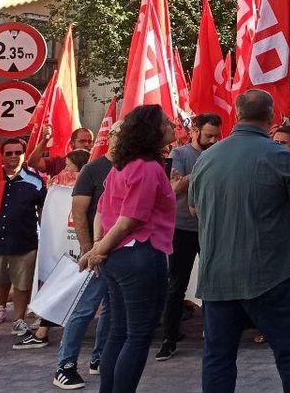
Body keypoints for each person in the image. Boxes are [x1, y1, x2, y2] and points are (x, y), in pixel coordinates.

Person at [189, 90, 290, 393]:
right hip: (269, 275)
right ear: (271, 117)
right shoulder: (281, 155)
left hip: (217, 276)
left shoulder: (206, 158)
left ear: (236, 114)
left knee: (218, 359)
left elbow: (194, 209)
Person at [78, 105, 177, 393]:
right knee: (136, 337)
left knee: (119, 333)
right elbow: (129, 220)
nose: (172, 126)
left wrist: (99, 248)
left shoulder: (121, 167)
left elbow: (103, 212)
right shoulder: (147, 168)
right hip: (140, 255)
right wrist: (97, 251)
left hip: (121, 258)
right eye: (166, 122)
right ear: (152, 130)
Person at [52, 126, 120, 389]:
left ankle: (99, 358)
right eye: (119, 135)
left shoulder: (131, 167)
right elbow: (79, 211)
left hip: (119, 252)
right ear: (111, 138)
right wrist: (88, 248)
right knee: (86, 308)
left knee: (112, 309)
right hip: (98, 252)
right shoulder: (93, 169)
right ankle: (65, 364)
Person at [154, 113, 222, 361]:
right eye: (208, 136)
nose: (213, 141)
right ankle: (169, 338)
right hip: (182, 228)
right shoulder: (180, 155)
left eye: (216, 136)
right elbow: (175, 187)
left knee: (215, 284)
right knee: (176, 286)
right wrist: (202, 169)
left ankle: (215, 334)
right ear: (195, 131)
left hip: (210, 227)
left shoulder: (219, 152)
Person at [16, 149, 93, 351]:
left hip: (84, 246)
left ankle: (48, 334)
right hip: (73, 247)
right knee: (64, 287)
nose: (65, 169)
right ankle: (44, 332)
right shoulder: (64, 184)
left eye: (69, 165)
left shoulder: (81, 181)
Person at [0, 137, 46, 345]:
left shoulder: (35, 180)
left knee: (22, 286)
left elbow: (44, 211)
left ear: (24, 155)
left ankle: (19, 320)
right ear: (2, 156)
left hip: (24, 242)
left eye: (18, 152)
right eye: (9, 153)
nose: (14, 157)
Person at [28, 127, 96, 177]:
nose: (87, 144)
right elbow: (33, 163)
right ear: (72, 144)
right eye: (82, 141)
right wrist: (45, 140)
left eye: (90, 142)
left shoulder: (98, 163)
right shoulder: (58, 162)